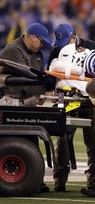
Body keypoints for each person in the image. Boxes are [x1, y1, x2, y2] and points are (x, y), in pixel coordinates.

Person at [47, 23, 95, 192]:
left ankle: (93, 175)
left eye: (66, 42)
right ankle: (60, 179)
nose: (63, 46)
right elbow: (50, 78)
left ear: (74, 37)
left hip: (88, 99)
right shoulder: (56, 51)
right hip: (66, 98)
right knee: (62, 137)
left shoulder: (92, 47)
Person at [0, 22, 53, 192]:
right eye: (41, 41)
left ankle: (35, 180)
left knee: (32, 137)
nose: (42, 45)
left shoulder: (37, 54)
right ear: (32, 38)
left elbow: (37, 78)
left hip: (28, 100)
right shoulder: (13, 49)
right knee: (22, 139)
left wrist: (46, 88)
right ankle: (31, 180)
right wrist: (42, 89)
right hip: (11, 99)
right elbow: (26, 75)